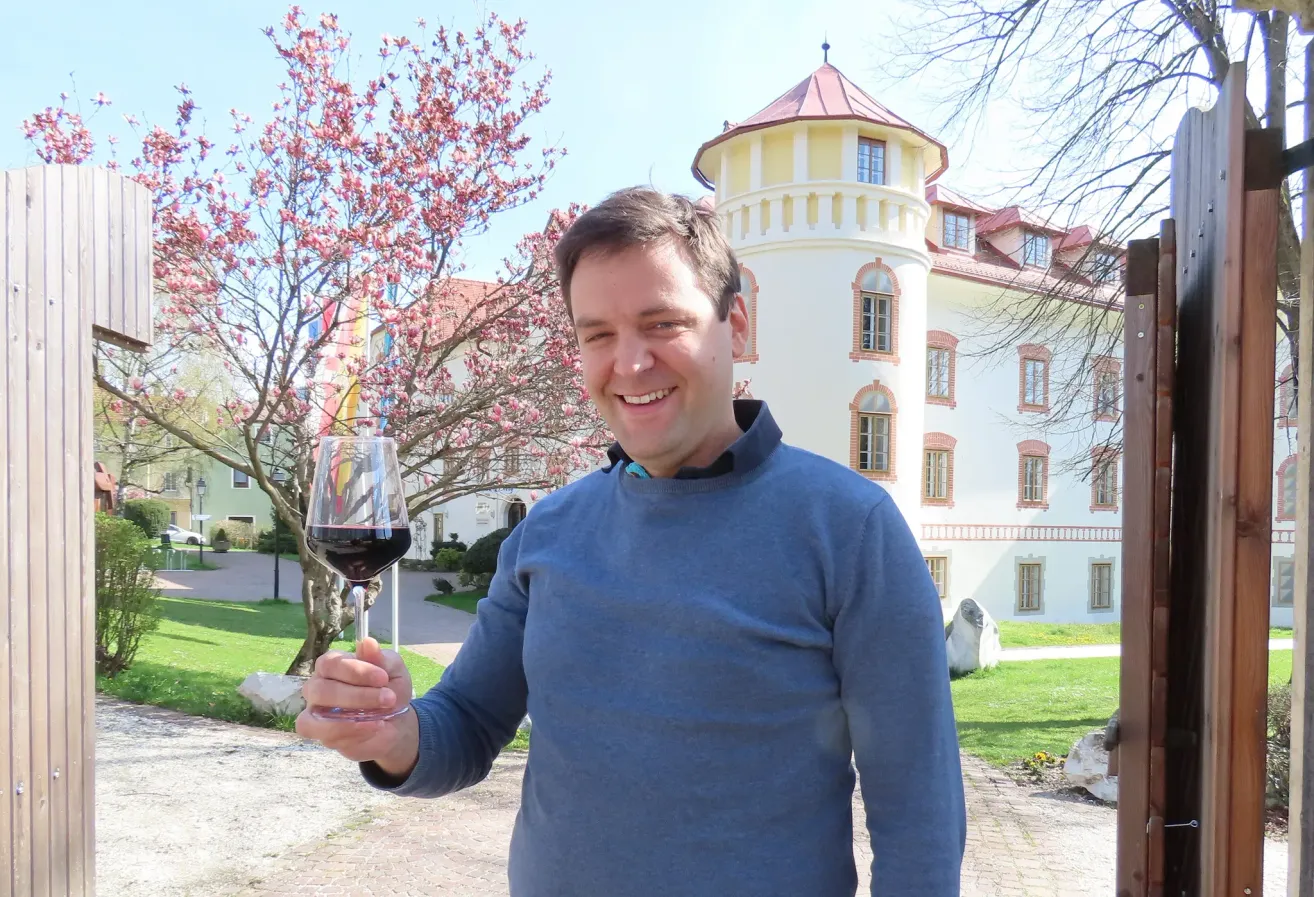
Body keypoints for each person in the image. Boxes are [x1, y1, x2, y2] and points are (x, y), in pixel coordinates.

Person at [296, 186, 967, 896]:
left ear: (734, 324)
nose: (630, 362)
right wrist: (393, 736)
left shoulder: (851, 529)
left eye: (661, 323)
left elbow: (918, 809)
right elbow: (464, 721)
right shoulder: (547, 531)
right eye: (599, 334)